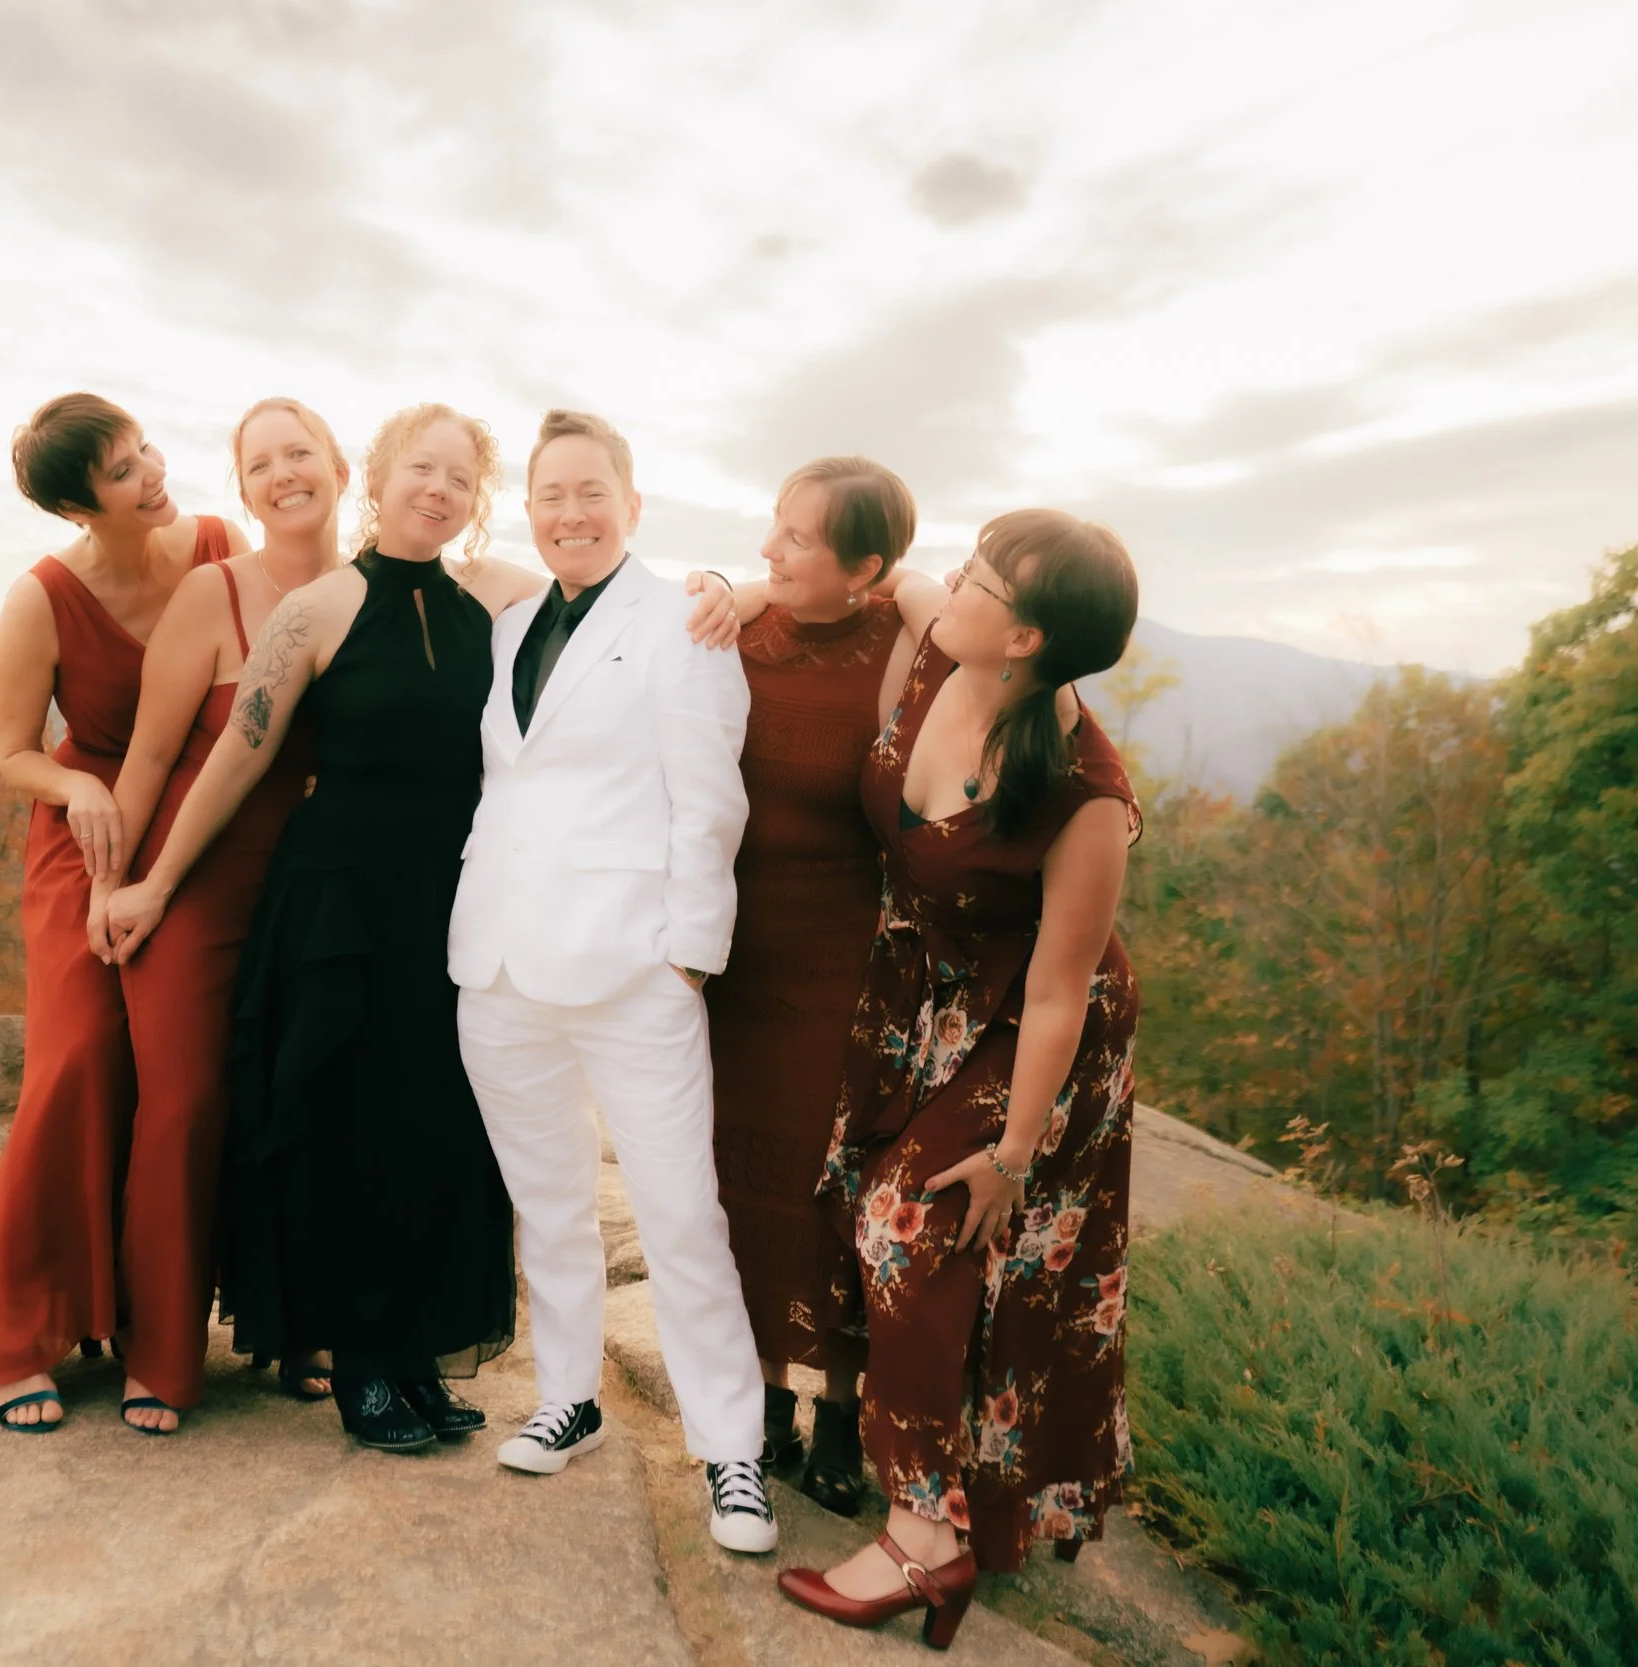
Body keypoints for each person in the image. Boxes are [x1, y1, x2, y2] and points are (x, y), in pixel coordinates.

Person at [109, 404, 745, 1453]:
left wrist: (726, 588)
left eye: (459, 477)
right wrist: (157, 879)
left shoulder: (498, 601)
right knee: (351, 1133)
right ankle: (358, 1359)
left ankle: (414, 1352)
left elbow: (620, 604)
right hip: (339, 907)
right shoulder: (313, 610)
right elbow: (240, 753)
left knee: (435, 1138)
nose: (438, 490)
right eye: (421, 470)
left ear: (477, 498)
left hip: (457, 911)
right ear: (380, 475)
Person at [775, 509, 1142, 1650]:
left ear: (1024, 637)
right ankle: (915, 1481)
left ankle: (925, 1539)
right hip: (916, 995)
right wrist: (727, 591)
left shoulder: (1084, 794)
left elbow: (1059, 987)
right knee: (871, 1215)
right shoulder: (946, 635)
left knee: (917, 1225)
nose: (959, 584)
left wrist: (1017, 1151)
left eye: (983, 577)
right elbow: (880, 586)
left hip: (1026, 1025)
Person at [450, 409, 777, 1555]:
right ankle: (569, 1394)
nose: (571, 512)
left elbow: (711, 798)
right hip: (495, 959)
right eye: (550, 494)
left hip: (633, 961)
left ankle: (731, 1449)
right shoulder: (513, 620)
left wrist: (689, 953)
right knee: (546, 1202)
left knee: (680, 1213)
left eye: (592, 491)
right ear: (527, 510)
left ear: (632, 505)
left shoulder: (685, 617)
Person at [0, 393, 255, 1433]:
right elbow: (11, 753)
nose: (154, 475)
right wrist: (74, 786)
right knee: (78, 1054)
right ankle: (19, 1336)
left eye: (146, 452)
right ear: (78, 508)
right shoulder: (42, 598)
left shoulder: (222, 548)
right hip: (84, 838)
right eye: (125, 471)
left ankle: (164, 1338)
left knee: (183, 1073)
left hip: (205, 827)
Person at [88, 397, 347, 1422]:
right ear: (241, 490)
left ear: (337, 463)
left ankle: (298, 1327)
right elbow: (148, 754)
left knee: (311, 1103)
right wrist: (119, 884)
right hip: (200, 877)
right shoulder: (213, 591)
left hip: (322, 889)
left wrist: (716, 584)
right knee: (189, 1102)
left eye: (300, 453)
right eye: (260, 464)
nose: (283, 475)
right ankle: (158, 1346)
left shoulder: (378, 586)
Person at [705, 457, 936, 1517]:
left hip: (840, 959)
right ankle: (756, 1404)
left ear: (870, 569)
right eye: (774, 527)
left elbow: (938, 609)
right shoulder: (737, 631)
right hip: (731, 955)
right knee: (734, 1182)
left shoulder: (897, 647)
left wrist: (908, 590)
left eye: (798, 539)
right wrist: (749, 589)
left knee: (826, 1185)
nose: (770, 550)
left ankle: (839, 1408)